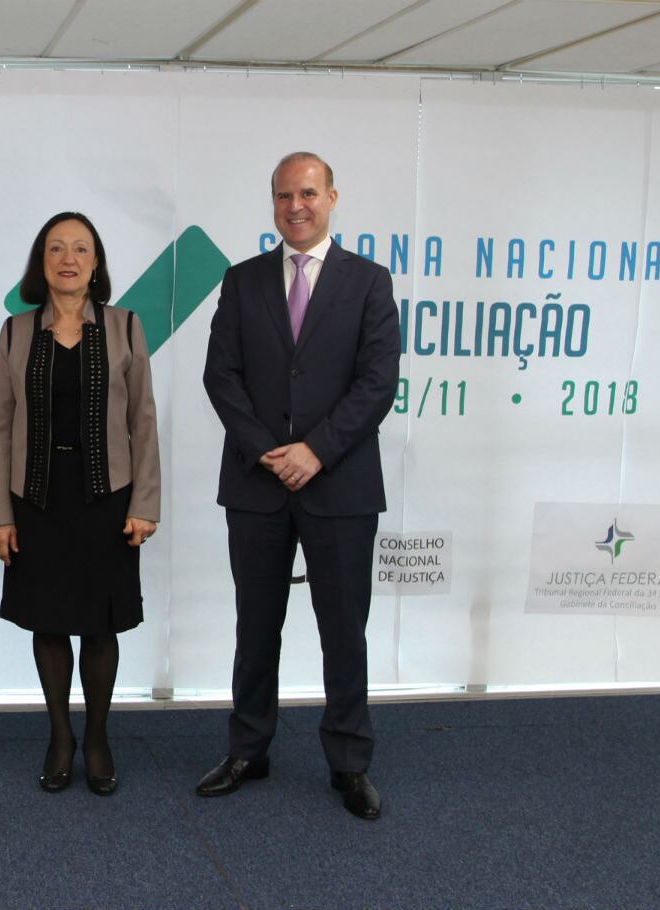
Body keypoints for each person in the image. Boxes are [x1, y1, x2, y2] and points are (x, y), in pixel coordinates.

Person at [197, 152, 400, 820]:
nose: (296, 206)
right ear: (273, 202)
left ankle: (349, 763)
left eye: (308, 193)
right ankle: (248, 751)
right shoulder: (244, 279)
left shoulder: (369, 282)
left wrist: (315, 451)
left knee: (344, 631)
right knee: (256, 629)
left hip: (339, 487)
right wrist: (267, 452)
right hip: (257, 487)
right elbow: (220, 376)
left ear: (333, 197)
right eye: (284, 195)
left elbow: (377, 383)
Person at [0, 213, 160, 795]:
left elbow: (143, 423)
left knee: (100, 624)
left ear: (96, 263)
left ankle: (99, 738)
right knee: (49, 622)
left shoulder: (126, 325)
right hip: (34, 499)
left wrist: (146, 503)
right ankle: (60, 737)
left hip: (105, 498)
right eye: (56, 248)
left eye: (81, 249)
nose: (68, 258)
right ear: (41, 262)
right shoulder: (14, 331)